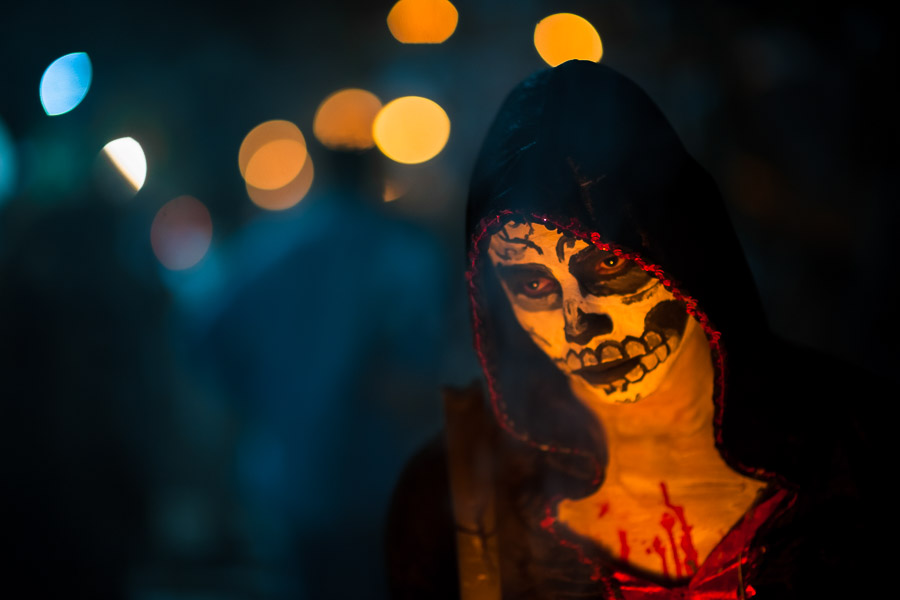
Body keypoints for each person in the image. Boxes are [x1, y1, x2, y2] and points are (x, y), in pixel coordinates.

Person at [387, 60, 881, 599]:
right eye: (533, 285)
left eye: (608, 267)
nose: (581, 325)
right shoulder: (456, 490)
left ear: (680, 251)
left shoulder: (856, 447)